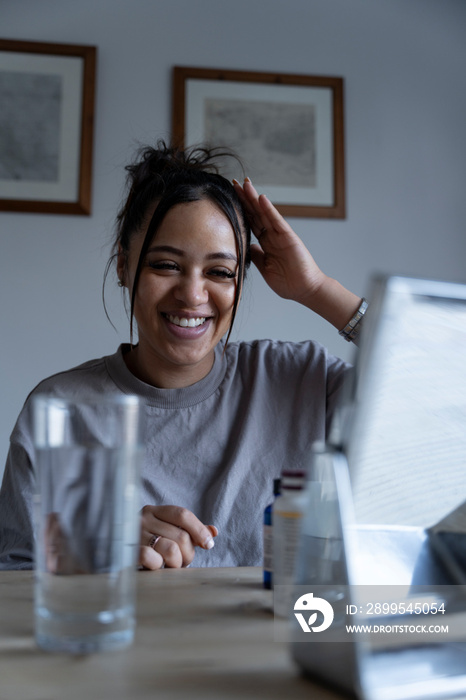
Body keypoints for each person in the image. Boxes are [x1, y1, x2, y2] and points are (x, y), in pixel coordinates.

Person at [0, 142, 365, 571]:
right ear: (123, 264)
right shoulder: (60, 408)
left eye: (220, 272)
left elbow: (444, 387)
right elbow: (14, 581)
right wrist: (99, 554)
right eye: (166, 265)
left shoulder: (303, 379)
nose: (192, 295)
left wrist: (317, 289)